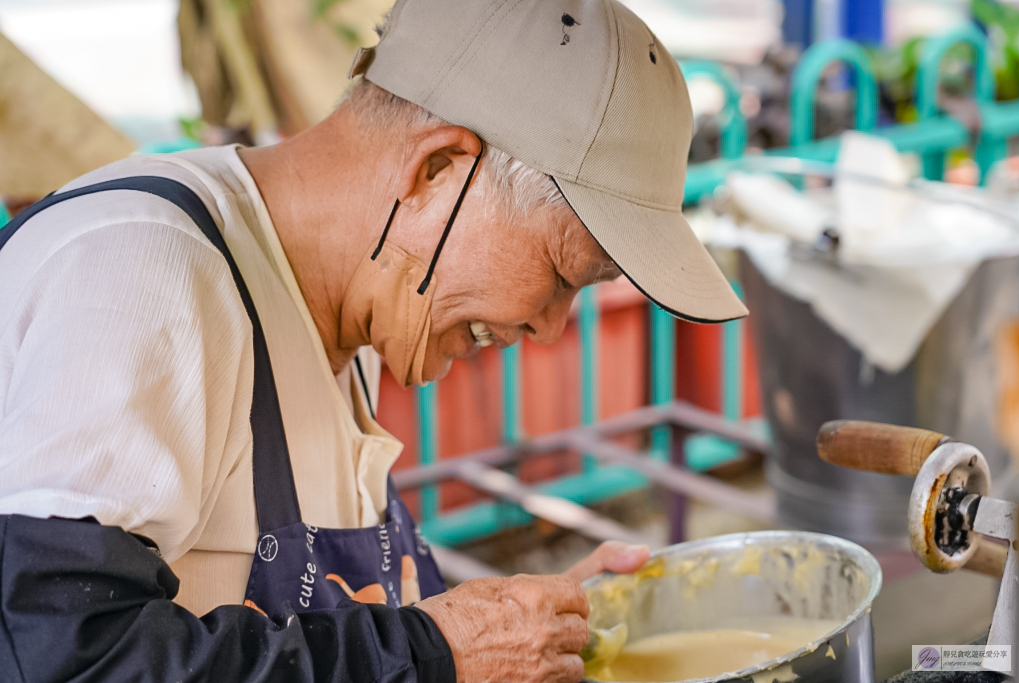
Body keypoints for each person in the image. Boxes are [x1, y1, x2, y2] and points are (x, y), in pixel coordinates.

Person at [0, 0, 747, 681]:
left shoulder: (335, 310)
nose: (549, 329)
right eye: (562, 273)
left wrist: (523, 634)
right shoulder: (144, 274)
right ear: (436, 169)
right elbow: (65, 657)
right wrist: (433, 655)